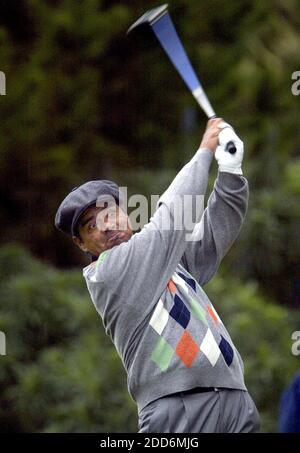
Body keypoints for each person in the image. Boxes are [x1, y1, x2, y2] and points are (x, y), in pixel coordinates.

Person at [55, 118, 260, 433]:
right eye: (90, 225)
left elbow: (217, 231)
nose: (106, 226)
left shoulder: (167, 260)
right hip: (176, 410)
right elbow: (173, 215)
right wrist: (205, 150)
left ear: (126, 213)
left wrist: (230, 172)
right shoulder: (110, 272)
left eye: (109, 212)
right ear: (81, 244)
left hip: (234, 399)